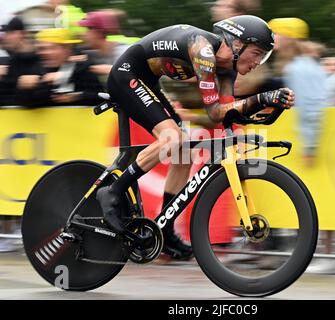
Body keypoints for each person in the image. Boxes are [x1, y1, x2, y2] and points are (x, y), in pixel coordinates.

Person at [95, 15, 295, 260]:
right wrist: (261, 99)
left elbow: (218, 114)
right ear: (236, 44)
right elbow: (216, 112)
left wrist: (266, 105)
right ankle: (113, 191)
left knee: (184, 152)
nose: (258, 62)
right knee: (173, 138)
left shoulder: (226, 71)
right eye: (256, 53)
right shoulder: (202, 51)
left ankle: (165, 230)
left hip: (148, 81)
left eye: (263, 56)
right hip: (126, 75)